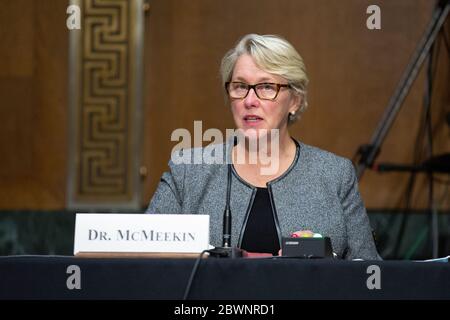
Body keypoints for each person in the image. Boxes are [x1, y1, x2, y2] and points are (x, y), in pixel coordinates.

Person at [147, 34, 381, 260]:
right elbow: (143, 257)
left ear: (295, 100)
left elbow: (368, 272)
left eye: (267, 87)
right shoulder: (188, 170)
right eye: (240, 86)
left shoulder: (335, 174)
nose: (250, 100)